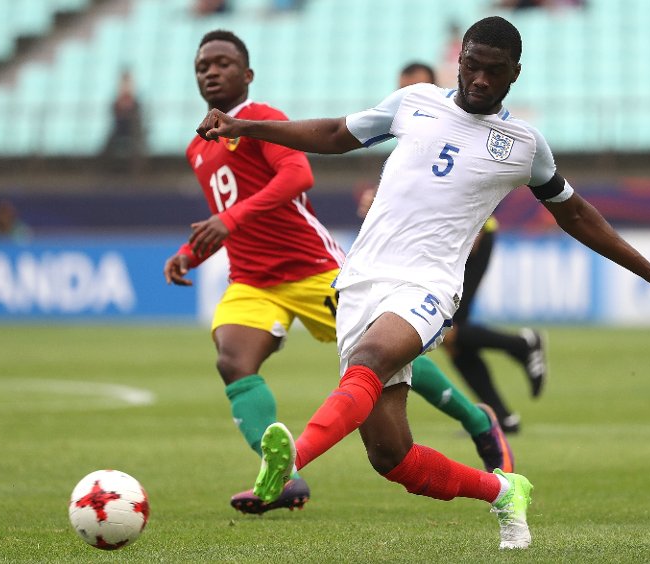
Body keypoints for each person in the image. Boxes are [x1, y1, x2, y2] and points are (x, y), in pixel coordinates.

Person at [197, 16, 650, 550]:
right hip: (360, 283)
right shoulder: (414, 100)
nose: (481, 80)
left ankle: (291, 459)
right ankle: (504, 491)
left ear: (515, 75)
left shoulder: (524, 145)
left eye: (495, 72)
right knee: (392, 459)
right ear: (458, 59)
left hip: (429, 285)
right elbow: (332, 135)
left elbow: (574, 213)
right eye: (473, 66)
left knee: (372, 359)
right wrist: (246, 127)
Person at [163, 30, 515, 517]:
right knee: (233, 361)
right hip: (252, 279)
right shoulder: (197, 148)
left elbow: (298, 177)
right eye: (203, 65)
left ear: (246, 75)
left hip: (310, 267)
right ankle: (284, 476)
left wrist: (231, 219)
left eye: (223, 63)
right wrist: (190, 252)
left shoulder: (261, 121)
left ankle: (477, 420)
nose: (211, 71)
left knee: (382, 357)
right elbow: (226, 212)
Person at [358, 62, 548, 434]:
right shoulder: (413, 123)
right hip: (434, 245)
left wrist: (470, 235)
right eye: (401, 88)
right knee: (453, 340)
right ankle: (501, 415)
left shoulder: (462, 119)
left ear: (435, 87)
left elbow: (476, 181)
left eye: (415, 87)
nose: (407, 95)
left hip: (469, 240)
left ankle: (521, 345)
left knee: (450, 333)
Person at [103, 70, 145, 171]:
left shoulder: (136, 104)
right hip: (118, 132)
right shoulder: (116, 103)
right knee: (106, 151)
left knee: (137, 150)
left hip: (134, 133)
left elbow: (137, 123)